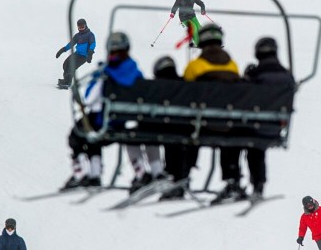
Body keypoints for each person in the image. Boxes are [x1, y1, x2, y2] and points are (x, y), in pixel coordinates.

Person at [62, 31, 149, 190]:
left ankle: (85, 174)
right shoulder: (136, 73)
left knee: (79, 133)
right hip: (123, 123)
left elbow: (90, 99)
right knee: (92, 132)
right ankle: (141, 172)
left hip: (104, 122)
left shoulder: (105, 73)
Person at [183, 24, 245, 203]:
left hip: (200, 126)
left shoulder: (195, 66)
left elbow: (184, 93)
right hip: (228, 126)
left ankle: (182, 175)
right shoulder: (232, 66)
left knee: (185, 131)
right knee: (230, 136)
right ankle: (232, 179)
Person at [242, 37, 295, 198]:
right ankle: (259, 184)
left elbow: (243, 97)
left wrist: (246, 77)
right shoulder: (287, 76)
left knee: (250, 145)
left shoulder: (255, 75)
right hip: (275, 126)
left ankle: (234, 180)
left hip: (253, 126)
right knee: (258, 148)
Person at [153, 56, 194, 201]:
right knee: (182, 137)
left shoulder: (157, 85)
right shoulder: (184, 84)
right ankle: (182, 176)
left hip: (165, 128)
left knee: (170, 134)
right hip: (189, 128)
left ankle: (172, 174)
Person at [56, 18, 96, 88]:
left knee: (71, 67)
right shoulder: (77, 36)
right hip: (77, 54)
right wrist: (63, 49)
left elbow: (93, 44)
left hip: (84, 56)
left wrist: (90, 53)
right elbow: (71, 44)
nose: (81, 29)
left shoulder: (90, 35)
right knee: (66, 64)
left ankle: (67, 83)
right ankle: (66, 80)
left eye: (82, 27)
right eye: (79, 27)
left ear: (86, 26)